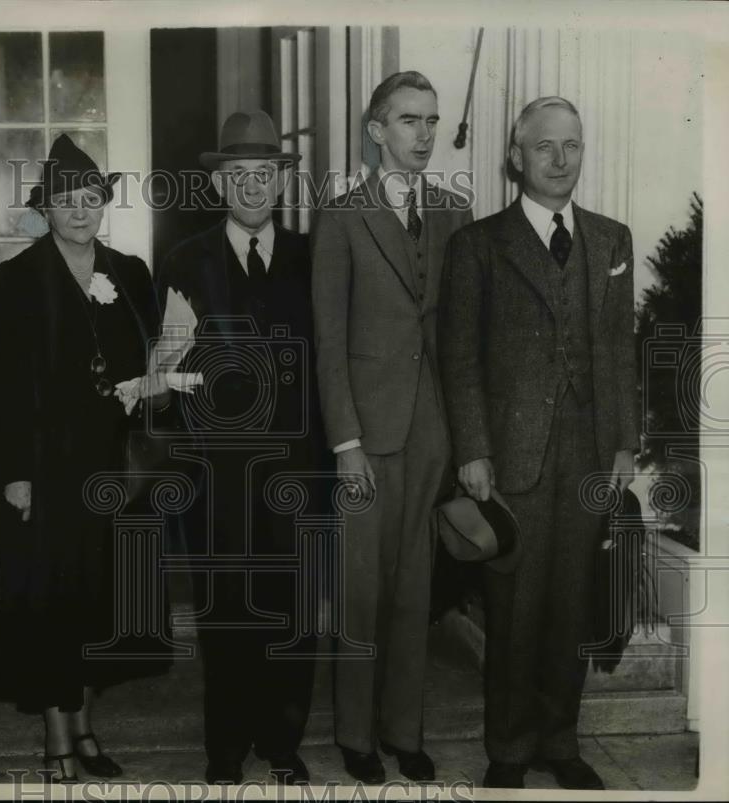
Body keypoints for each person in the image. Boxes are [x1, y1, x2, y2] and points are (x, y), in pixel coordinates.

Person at [439, 96, 638, 790]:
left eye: (573, 146)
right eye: (546, 146)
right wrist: (472, 447)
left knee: (574, 604)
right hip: (512, 458)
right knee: (516, 609)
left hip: (588, 453)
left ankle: (561, 739)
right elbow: (459, 358)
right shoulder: (478, 245)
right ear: (516, 156)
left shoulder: (613, 240)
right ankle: (510, 748)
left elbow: (618, 350)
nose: (560, 160)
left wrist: (623, 445)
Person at [0, 133, 170, 783]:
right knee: (51, 605)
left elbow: (154, 363)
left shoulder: (131, 273)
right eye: (66, 200)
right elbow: (2, 390)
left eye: (90, 197)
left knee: (101, 602)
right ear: (47, 208)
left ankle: (86, 726)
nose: (79, 210)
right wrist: (13, 474)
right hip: (46, 466)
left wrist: (153, 382)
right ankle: (57, 740)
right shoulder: (13, 281)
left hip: (113, 465)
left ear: (104, 203)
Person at [310, 71, 473, 784]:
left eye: (433, 121)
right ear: (377, 132)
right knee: (360, 591)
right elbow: (329, 339)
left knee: (415, 589)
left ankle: (405, 729)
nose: (425, 134)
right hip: (365, 440)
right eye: (410, 121)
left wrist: (464, 439)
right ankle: (355, 735)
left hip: (431, 431)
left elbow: (458, 340)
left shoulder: (454, 213)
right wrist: (345, 444)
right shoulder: (343, 217)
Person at [156, 110, 324, 786]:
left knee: (292, 604)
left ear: (281, 181)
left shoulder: (314, 257)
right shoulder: (184, 260)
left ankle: (283, 742)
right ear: (219, 183)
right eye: (239, 175)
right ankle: (224, 748)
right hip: (215, 471)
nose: (252, 187)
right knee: (225, 609)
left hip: (296, 465)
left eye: (265, 173)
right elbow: (166, 368)